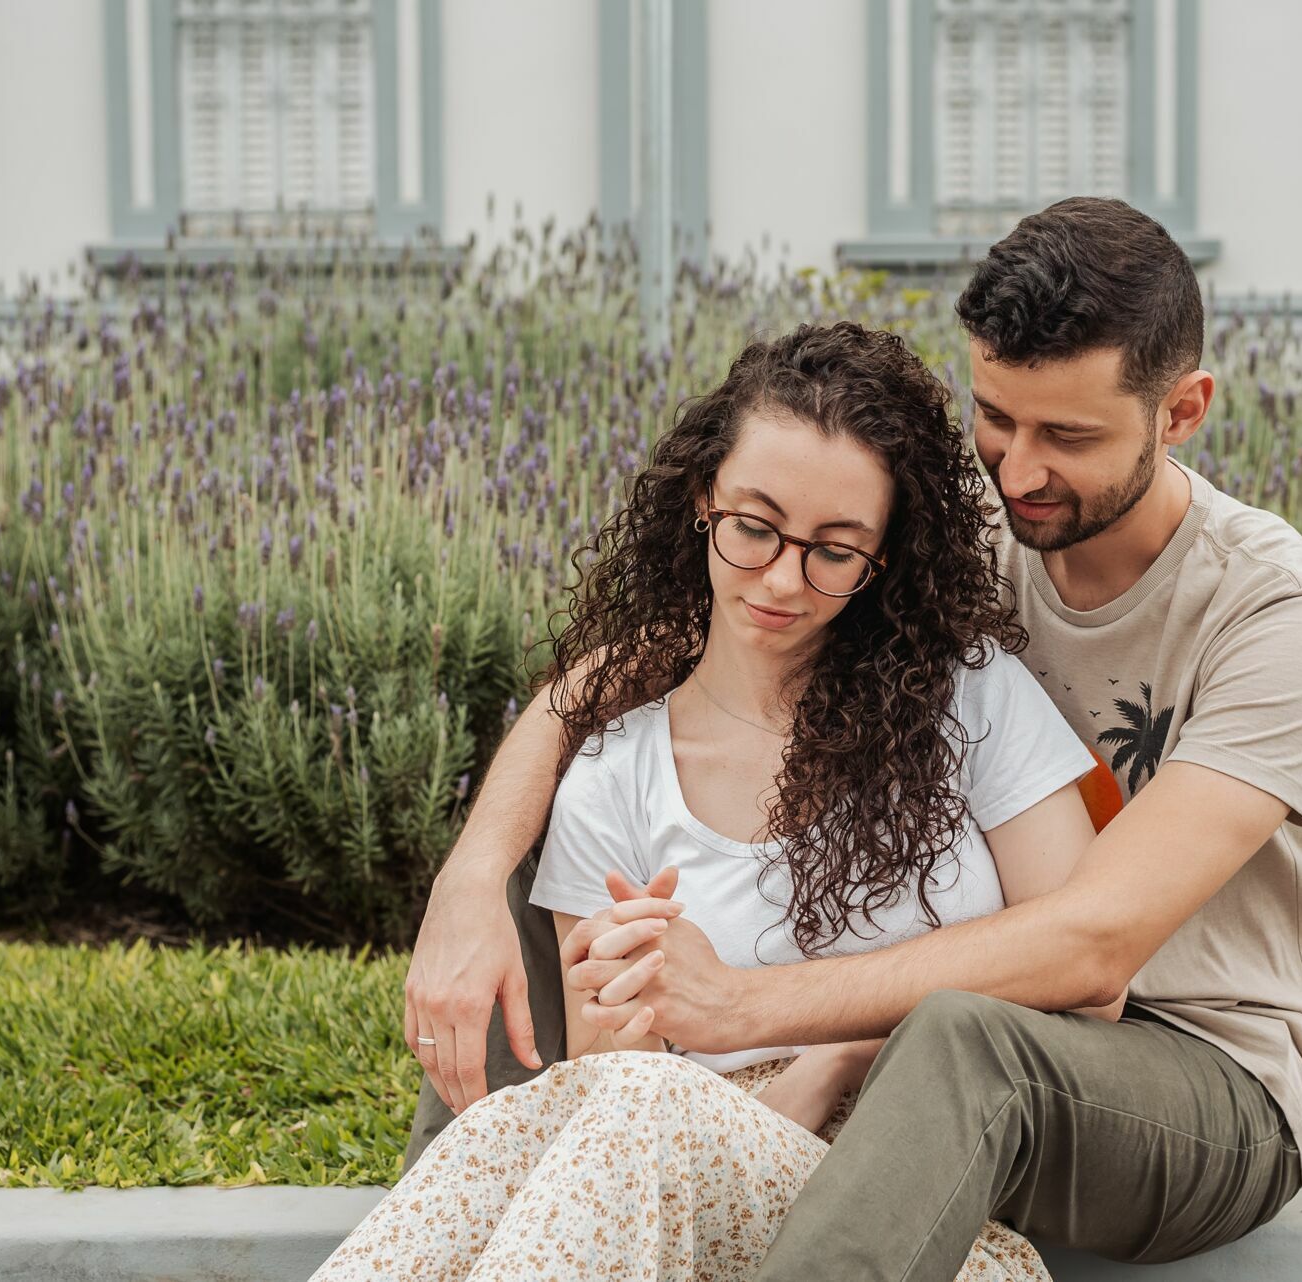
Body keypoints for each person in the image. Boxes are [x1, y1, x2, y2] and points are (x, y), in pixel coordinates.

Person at [404, 196, 1302, 1275]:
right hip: (957, 1037)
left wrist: (746, 1009)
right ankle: (453, 1229)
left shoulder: (1283, 616)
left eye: (1069, 436)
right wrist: (469, 877)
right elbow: (641, 661)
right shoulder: (961, 528)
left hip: (1204, 1072)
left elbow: (1096, 947)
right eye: (997, 416)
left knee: (960, 1040)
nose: (1018, 472)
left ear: (1181, 410)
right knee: (548, 855)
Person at [313, 321, 1111, 1280]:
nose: (781, 580)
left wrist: (842, 1059)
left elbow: (1088, 986)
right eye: (754, 528)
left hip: (912, 1202)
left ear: (886, 557)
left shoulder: (971, 697)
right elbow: (609, 1080)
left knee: (627, 1112)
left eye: (835, 551)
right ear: (704, 497)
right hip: (668, 1193)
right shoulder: (613, 773)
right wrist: (628, 1023)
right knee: (587, 1111)